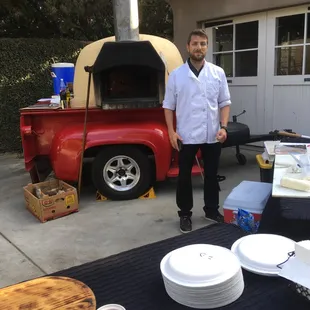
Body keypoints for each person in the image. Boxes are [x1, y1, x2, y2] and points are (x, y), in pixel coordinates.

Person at [162, 29, 231, 233]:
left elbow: (224, 102)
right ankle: (185, 214)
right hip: (186, 134)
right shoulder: (176, 76)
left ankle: (211, 210)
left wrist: (224, 127)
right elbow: (168, 106)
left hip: (212, 134)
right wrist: (171, 132)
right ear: (188, 47)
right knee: (184, 177)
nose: (199, 47)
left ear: (207, 47)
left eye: (203, 44)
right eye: (195, 44)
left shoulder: (217, 73)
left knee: (211, 175)